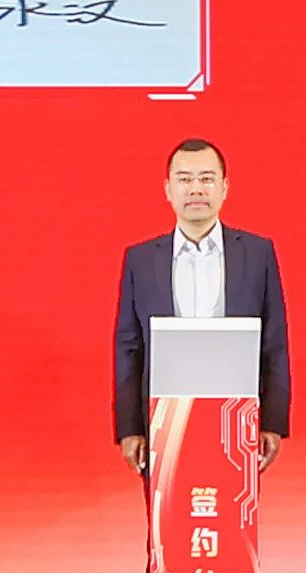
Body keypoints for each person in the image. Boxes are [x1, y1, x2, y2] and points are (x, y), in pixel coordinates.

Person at [113, 134, 294, 468]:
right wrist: (129, 428)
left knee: (229, 499)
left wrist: (272, 421)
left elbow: (274, 343)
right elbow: (129, 347)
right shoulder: (141, 260)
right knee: (169, 501)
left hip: (235, 414)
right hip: (164, 417)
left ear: (224, 187)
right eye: (185, 179)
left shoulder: (257, 254)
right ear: (168, 189)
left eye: (207, 179)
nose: (196, 189)